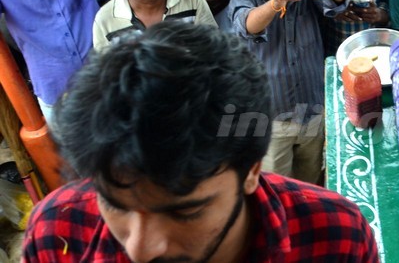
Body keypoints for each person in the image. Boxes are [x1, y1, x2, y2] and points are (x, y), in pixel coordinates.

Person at [22, 23, 380, 261]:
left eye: (185, 211)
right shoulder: (57, 233)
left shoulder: (334, 237)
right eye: (116, 204)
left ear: (251, 170)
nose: (139, 249)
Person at [230, 0, 349, 183]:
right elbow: (247, 25)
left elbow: (336, 3)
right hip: (272, 119)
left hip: (313, 111)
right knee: (275, 188)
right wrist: (276, 2)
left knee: (310, 183)